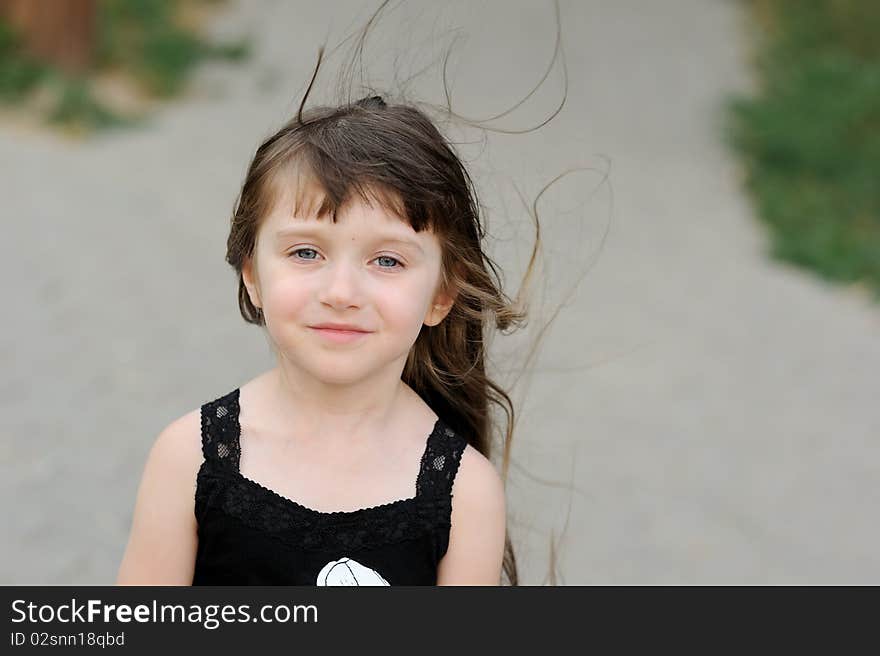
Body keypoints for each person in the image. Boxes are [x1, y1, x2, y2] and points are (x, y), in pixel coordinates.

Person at [113, 83, 535, 585]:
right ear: (252, 274)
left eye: (387, 260)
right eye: (306, 253)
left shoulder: (466, 493)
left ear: (441, 296)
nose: (341, 292)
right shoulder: (188, 458)